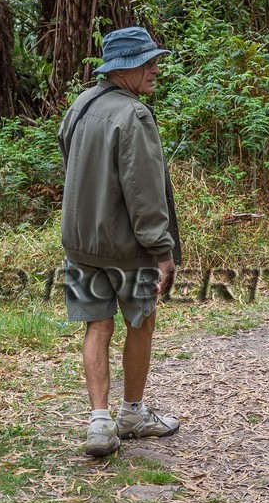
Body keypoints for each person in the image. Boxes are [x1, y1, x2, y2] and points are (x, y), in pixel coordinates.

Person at [59, 26, 183, 457]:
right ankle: (131, 414)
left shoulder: (80, 105)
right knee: (141, 321)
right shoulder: (135, 115)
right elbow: (145, 192)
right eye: (147, 62)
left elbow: (69, 156)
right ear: (123, 68)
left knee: (97, 324)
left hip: (80, 240)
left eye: (154, 61)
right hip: (127, 246)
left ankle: (99, 422)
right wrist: (162, 251)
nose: (155, 69)